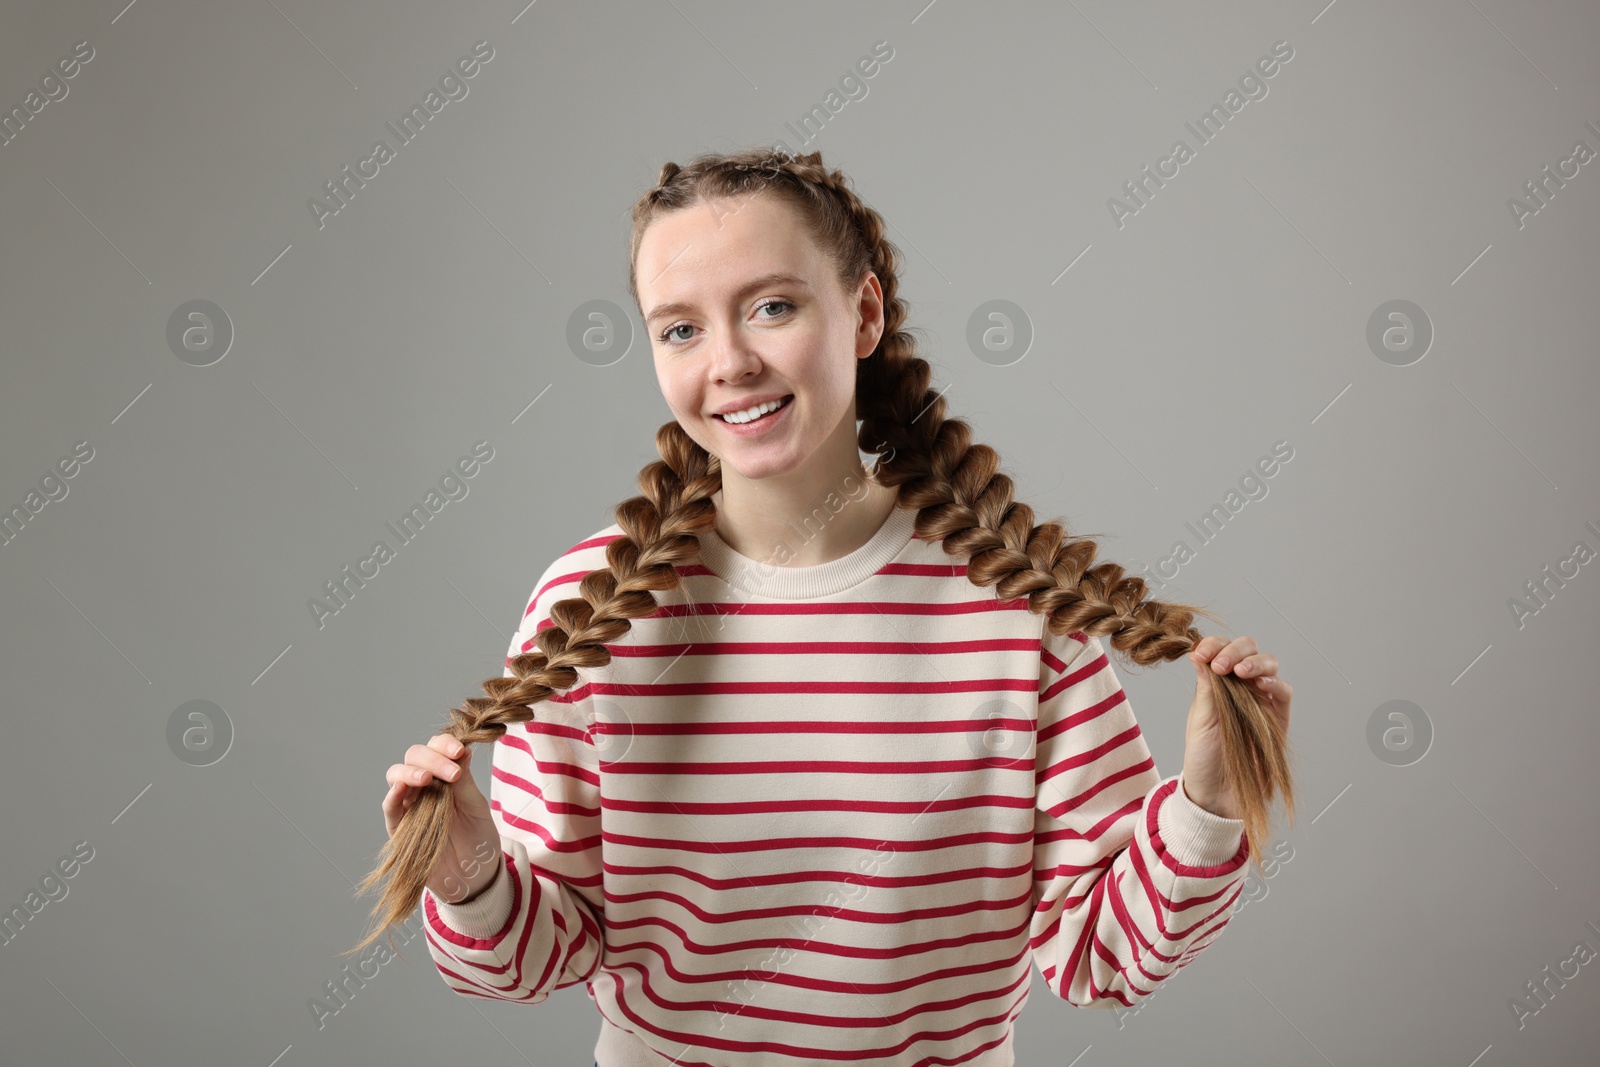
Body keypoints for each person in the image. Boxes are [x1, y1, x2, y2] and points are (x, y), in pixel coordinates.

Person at [363, 147, 1296, 1066]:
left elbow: (1103, 950)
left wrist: (1210, 800)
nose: (729, 361)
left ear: (863, 313)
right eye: (679, 328)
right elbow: (536, 958)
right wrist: (473, 875)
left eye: (772, 307)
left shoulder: (1017, 609)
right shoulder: (592, 610)